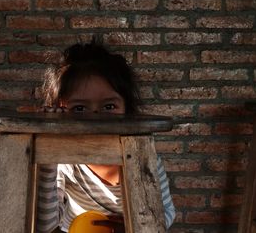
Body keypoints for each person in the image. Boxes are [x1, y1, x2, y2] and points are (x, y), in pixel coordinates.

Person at [36, 40, 175, 233]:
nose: (96, 119)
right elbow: (45, 226)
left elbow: (167, 212)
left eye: (109, 107)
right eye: (79, 108)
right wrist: (47, 152)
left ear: (127, 109)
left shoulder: (144, 161)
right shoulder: (65, 164)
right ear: (60, 111)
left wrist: (136, 225)